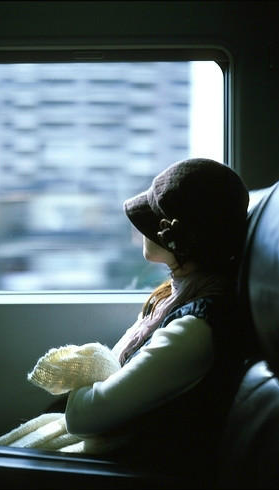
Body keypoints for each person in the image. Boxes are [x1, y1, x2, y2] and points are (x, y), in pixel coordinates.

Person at [63, 157, 250, 483]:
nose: (140, 229)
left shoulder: (193, 330)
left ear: (179, 241)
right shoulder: (170, 298)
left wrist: (78, 371)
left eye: (152, 218)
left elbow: (83, 416)